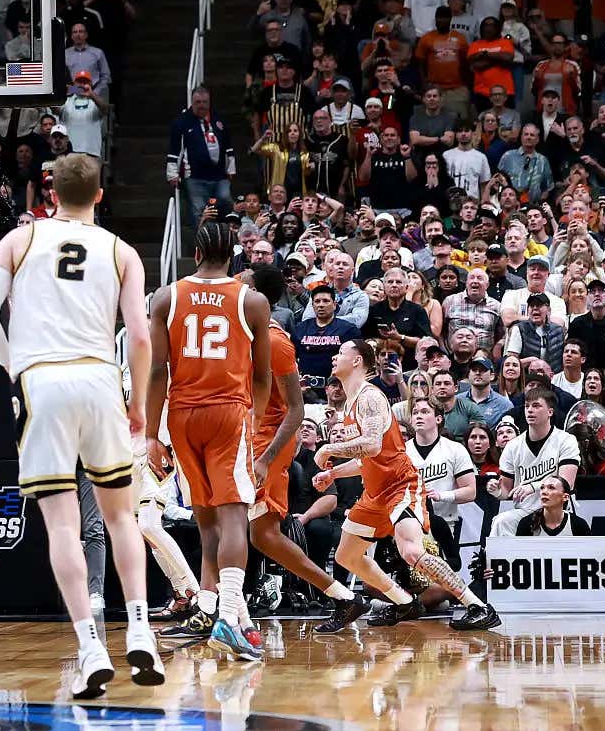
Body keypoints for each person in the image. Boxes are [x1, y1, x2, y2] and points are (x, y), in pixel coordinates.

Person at [0, 153, 163, 700]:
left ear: (49, 191)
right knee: (122, 517)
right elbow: (141, 336)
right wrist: (139, 405)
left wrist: (17, 366)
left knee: (62, 526)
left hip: (42, 382)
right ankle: (141, 630)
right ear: (100, 195)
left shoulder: (19, 239)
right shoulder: (122, 251)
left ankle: (90, 647)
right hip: (102, 380)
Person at [143, 220, 274, 662]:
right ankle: (230, 617)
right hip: (226, 412)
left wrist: (150, 435)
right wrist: (250, 421)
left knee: (207, 522)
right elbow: (262, 376)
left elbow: (157, 370)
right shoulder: (251, 300)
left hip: (180, 415)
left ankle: (222, 612)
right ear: (233, 256)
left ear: (195, 253)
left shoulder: (167, 297)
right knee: (235, 516)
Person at [313, 338, 498, 631]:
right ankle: (403, 601)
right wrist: (333, 474)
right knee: (346, 556)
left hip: (401, 484)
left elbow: (371, 445)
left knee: (411, 551)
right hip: (375, 491)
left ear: (358, 360)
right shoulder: (350, 402)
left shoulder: (370, 397)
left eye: (341, 353)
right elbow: (368, 459)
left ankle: (477, 606)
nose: (335, 357)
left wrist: (328, 450)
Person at [242, 264, 356, 612]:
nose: (234, 286)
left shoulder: (275, 341)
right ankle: (341, 595)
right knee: (259, 535)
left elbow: (295, 409)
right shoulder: (242, 333)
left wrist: (265, 457)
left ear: (258, 296)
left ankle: (213, 604)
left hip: (267, 445)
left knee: (243, 528)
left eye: (242, 283)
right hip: (248, 440)